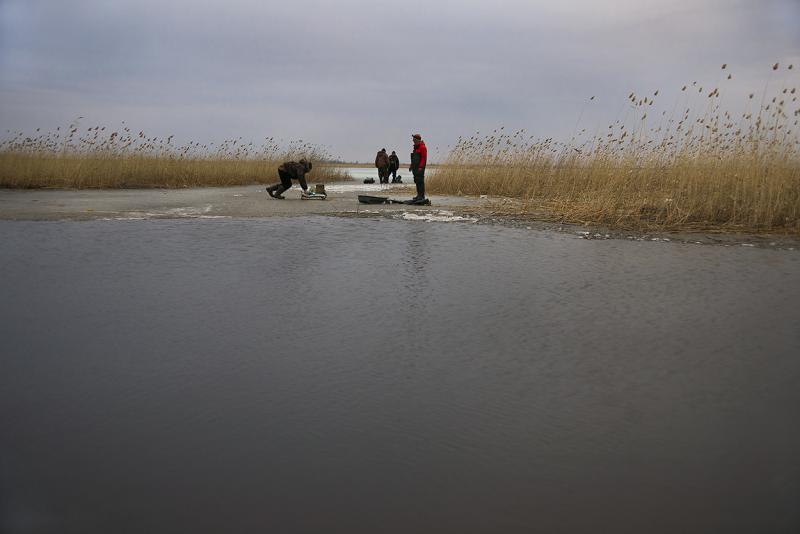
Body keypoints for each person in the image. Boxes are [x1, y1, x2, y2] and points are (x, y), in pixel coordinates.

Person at [409, 133, 427, 200]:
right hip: (415, 168)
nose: (413, 141)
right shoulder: (416, 148)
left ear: (417, 140)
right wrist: (411, 166)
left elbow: (423, 158)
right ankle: (418, 195)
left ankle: (421, 196)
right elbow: (414, 159)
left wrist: (421, 167)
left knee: (420, 181)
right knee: (416, 181)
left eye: (414, 140)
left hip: (420, 168)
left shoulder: (423, 147)